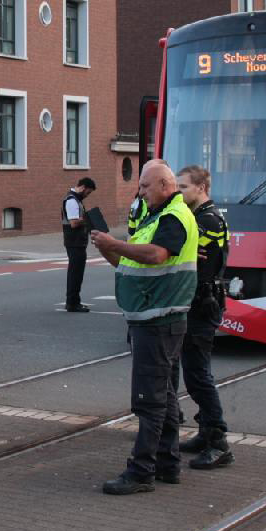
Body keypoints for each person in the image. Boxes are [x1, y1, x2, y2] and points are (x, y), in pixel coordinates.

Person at [92, 160, 199, 496]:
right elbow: (132, 261)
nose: (140, 192)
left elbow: (155, 255)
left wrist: (116, 245)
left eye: (145, 186)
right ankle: (167, 464)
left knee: (149, 400)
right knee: (164, 396)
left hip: (159, 319)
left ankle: (142, 471)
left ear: (166, 185)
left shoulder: (174, 217)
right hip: (152, 317)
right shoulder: (154, 216)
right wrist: (109, 248)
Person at [168, 166, 233, 470]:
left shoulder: (207, 219)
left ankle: (218, 441)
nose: (178, 192)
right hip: (198, 302)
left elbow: (182, 252)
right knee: (195, 373)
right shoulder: (199, 217)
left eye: (182, 187)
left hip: (202, 304)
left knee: (197, 375)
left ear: (201, 187)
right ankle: (206, 432)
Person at [62, 175, 97, 313]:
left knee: (76, 273)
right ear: (82, 187)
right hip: (74, 242)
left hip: (77, 242)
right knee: (75, 273)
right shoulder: (71, 200)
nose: (87, 196)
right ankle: (72, 303)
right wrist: (88, 219)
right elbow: (74, 222)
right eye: (88, 192)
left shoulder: (76, 200)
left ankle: (73, 301)